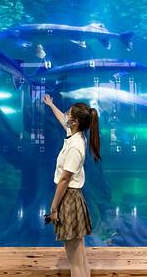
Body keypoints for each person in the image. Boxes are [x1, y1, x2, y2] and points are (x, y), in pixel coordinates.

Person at [43, 93, 101, 277]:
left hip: (68, 199)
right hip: (74, 199)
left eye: (69, 113)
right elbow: (63, 120)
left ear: (75, 122)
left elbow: (64, 180)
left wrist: (54, 208)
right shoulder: (76, 135)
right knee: (80, 255)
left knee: (75, 261)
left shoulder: (76, 146)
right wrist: (51, 105)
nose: (66, 115)